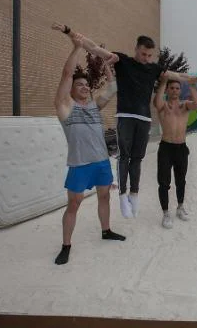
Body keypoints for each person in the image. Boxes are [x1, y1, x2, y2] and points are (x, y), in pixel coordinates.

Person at [52, 22, 197, 220]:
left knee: (138, 158)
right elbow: (95, 48)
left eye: (149, 56)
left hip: (143, 118)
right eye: (143, 54)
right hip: (125, 116)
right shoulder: (122, 60)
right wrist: (70, 33)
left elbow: (179, 75)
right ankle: (123, 195)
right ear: (136, 50)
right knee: (125, 156)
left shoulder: (153, 68)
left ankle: (134, 194)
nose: (146, 59)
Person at [52, 31, 125, 265]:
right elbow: (65, 75)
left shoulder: (94, 106)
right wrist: (76, 48)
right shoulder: (65, 107)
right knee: (74, 203)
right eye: (79, 84)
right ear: (71, 90)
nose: (83, 86)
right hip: (80, 164)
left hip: (101, 161)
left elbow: (113, 88)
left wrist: (105, 63)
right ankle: (66, 246)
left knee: (105, 197)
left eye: (85, 84)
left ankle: (106, 231)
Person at [153, 78, 197, 229]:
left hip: (181, 147)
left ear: (180, 91)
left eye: (177, 88)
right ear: (167, 90)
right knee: (164, 182)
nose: (174, 90)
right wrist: (163, 81)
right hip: (166, 147)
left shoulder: (184, 105)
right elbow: (156, 102)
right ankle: (166, 213)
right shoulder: (163, 106)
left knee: (181, 180)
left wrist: (192, 86)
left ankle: (180, 207)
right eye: (171, 88)